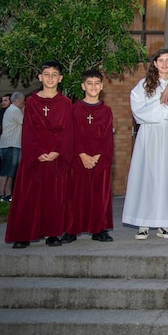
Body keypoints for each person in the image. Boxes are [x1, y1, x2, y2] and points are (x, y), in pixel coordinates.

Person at [5, 61, 73, 248]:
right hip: (35, 155)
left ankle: (53, 234)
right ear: (40, 77)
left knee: (54, 197)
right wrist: (37, 152)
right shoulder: (32, 102)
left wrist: (57, 151)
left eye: (54, 75)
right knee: (28, 196)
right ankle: (23, 235)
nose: (50, 78)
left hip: (56, 156)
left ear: (60, 78)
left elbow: (68, 130)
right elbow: (28, 129)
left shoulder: (66, 103)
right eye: (47, 74)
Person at [123, 49, 168, 240]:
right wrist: (159, 102)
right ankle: (143, 222)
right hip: (149, 134)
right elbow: (137, 110)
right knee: (147, 176)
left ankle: (165, 223)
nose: (165, 64)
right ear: (155, 64)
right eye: (161, 60)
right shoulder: (144, 85)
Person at [63, 69, 115, 243]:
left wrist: (98, 156)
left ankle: (99, 229)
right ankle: (71, 230)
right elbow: (72, 135)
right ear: (83, 86)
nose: (93, 87)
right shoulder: (74, 109)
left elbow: (107, 136)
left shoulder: (106, 111)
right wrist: (82, 155)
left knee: (99, 196)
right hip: (78, 159)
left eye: (97, 83)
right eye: (89, 83)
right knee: (76, 196)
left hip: (100, 160)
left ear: (102, 86)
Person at [0, 92, 24, 202]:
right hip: (11, 144)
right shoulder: (15, 110)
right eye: (22, 101)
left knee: (10, 171)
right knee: (6, 171)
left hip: (8, 144)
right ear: (19, 100)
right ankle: (1, 195)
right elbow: (24, 122)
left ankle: (8, 194)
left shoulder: (10, 110)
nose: (23, 103)